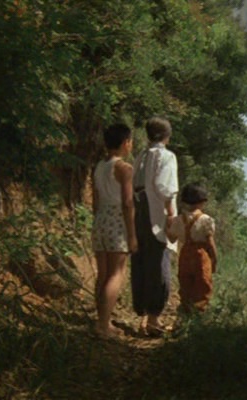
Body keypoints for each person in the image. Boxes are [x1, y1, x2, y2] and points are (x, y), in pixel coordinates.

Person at [131, 116, 179, 336]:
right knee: (158, 261)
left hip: (139, 209)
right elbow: (164, 186)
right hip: (156, 212)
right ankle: (153, 318)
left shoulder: (141, 155)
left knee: (140, 261)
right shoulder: (166, 156)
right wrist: (171, 213)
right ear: (167, 136)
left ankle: (142, 316)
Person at [91, 123, 137, 338]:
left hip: (101, 219)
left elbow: (95, 199)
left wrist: (98, 219)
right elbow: (128, 202)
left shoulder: (99, 166)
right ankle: (103, 325)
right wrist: (132, 234)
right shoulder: (124, 168)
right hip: (117, 220)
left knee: (103, 274)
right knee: (116, 273)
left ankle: (102, 321)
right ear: (125, 143)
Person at [166, 183, 217, 315]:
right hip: (201, 255)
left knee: (185, 283)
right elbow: (210, 243)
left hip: (185, 255)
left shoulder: (178, 220)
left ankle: (185, 311)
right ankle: (198, 313)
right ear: (202, 202)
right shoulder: (206, 220)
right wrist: (214, 259)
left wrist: (167, 224)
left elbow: (171, 239)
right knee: (203, 285)